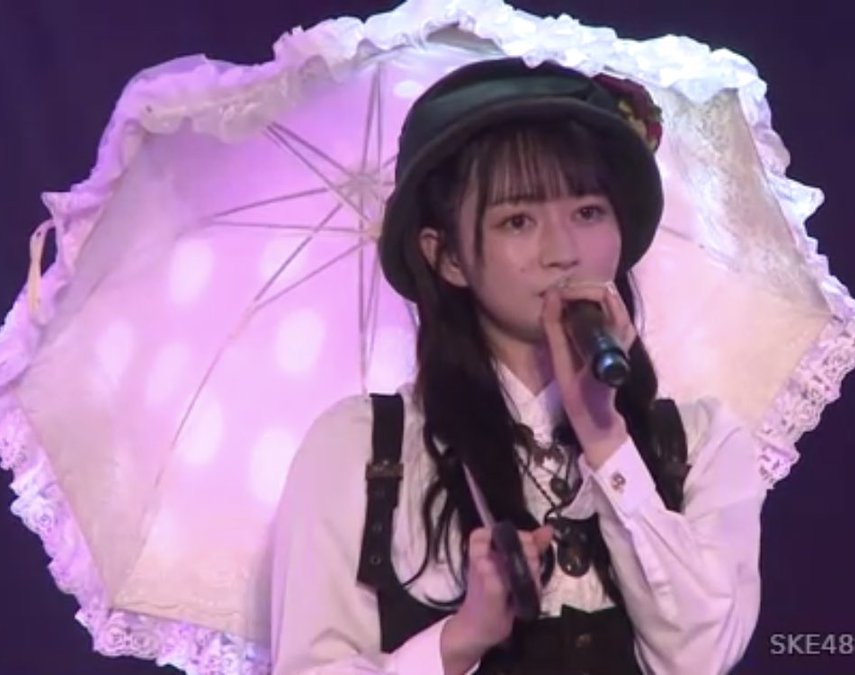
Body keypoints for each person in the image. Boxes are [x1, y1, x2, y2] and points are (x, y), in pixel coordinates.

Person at [269, 58, 774, 675]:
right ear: (448, 256)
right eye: (518, 220)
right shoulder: (361, 450)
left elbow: (699, 658)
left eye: (588, 211)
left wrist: (605, 437)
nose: (563, 252)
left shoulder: (697, 444)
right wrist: (458, 641)